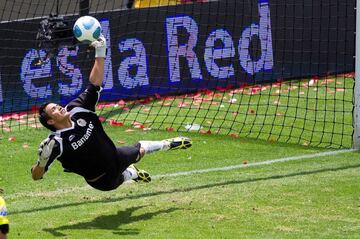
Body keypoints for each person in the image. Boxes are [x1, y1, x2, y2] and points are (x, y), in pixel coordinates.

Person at [31, 35, 192, 191]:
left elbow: (94, 84)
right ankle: (132, 173)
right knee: (121, 178)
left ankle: (167, 144)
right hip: (101, 181)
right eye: (54, 110)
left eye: (57, 105)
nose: (59, 107)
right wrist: (42, 162)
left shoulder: (78, 109)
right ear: (51, 121)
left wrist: (100, 53)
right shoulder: (55, 143)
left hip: (116, 157)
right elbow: (36, 177)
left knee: (141, 149)